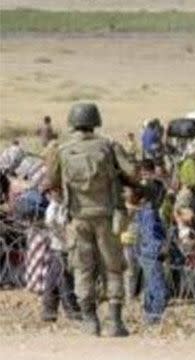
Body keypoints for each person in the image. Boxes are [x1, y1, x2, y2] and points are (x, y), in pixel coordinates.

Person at [47, 102, 137, 337]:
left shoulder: (62, 150)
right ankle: (115, 322)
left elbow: (51, 181)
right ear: (96, 121)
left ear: (72, 122)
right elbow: (133, 173)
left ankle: (89, 320)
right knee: (113, 268)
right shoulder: (108, 146)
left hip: (77, 218)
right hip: (108, 217)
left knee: (82, 268)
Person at [41, 189, 82, 322]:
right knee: (64, 278)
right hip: (60, 247)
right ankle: (71, 310)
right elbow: (52, 224)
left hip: (60, 247)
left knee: (54, 278)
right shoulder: (54, 208)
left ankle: (49, 310)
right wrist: (66, 237)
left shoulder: (62, 206)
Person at [135, 184, 169, 325]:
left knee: (150, 287)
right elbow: (151, 236)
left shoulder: (144, 211)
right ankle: (154, 319)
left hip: (145, 253)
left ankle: (149, 317)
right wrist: (160, 249)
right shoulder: (151, 214)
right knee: (160, 290)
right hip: (152, 254)